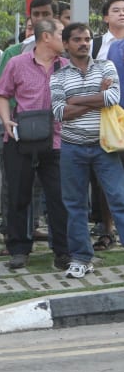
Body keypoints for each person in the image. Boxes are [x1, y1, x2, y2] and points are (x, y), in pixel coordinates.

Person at [50, 23, 124, 278]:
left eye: (87, 38)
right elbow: (60, 113)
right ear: (67, 44)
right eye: (78, 39)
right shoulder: (58, 76)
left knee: (119, 199)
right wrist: (96, 98)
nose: (84, 43)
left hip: (105, 146)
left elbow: (113, 97)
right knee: (75, 205)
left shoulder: (106, 67)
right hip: (72, 148)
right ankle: (82, 258)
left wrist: (76, 100)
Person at [0, 19, 70, 270]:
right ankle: (18, 249)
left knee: (59, 197)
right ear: (46, 37)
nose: (66, 37)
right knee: (18, 195)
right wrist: (6, 120)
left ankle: (62, 250)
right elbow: (3, 95)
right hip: (20, 139)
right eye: (62, 33)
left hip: (58, 140)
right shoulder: (17, 63)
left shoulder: (67, 67)